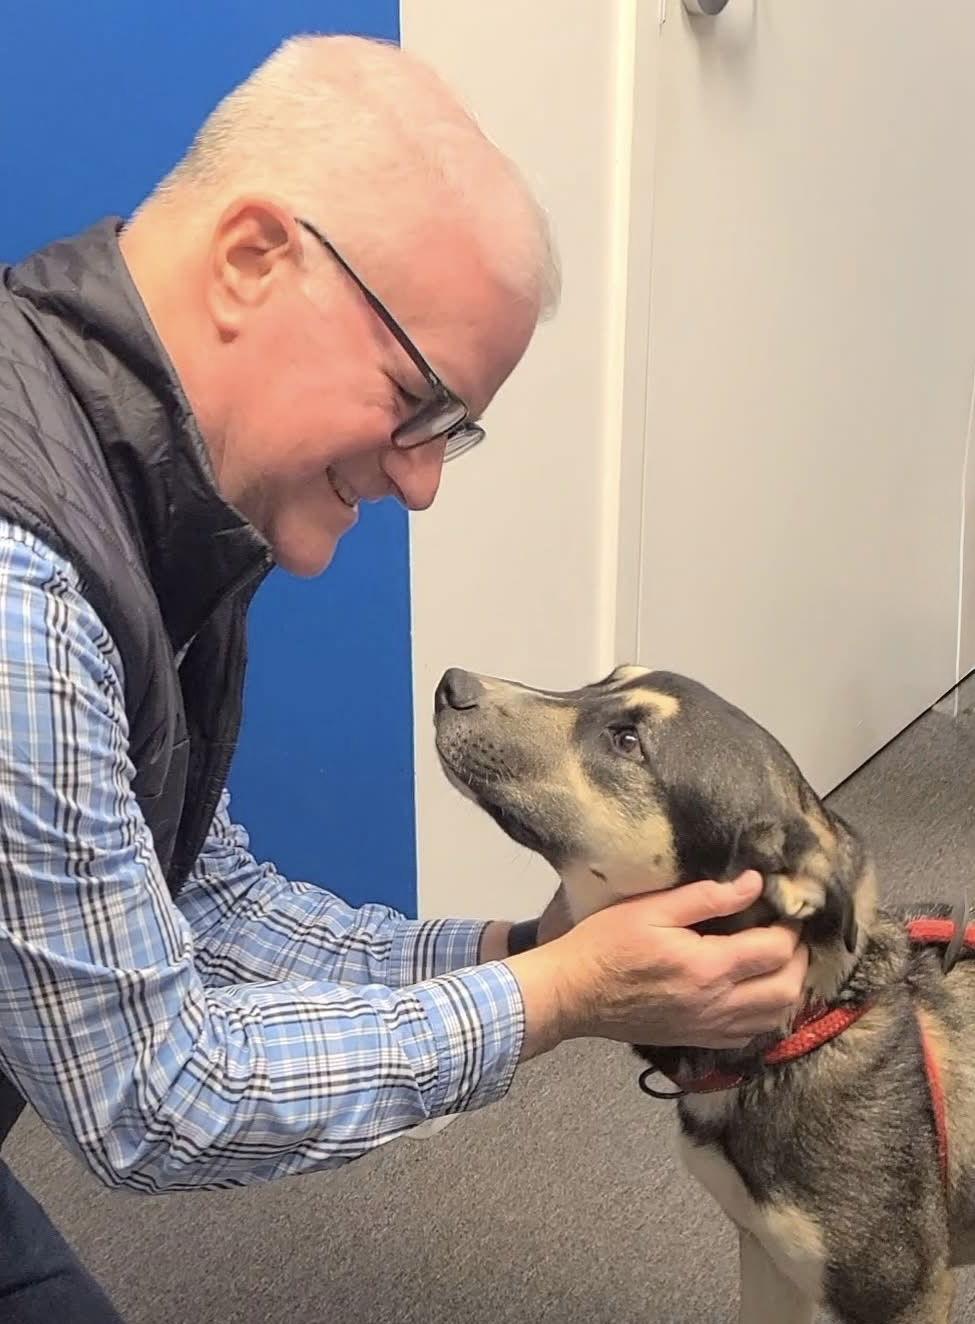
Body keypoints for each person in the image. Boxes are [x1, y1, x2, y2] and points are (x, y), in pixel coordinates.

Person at [0, 33, 806, 1322]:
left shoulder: (140, 496)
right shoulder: (24, 603)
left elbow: (210, 907)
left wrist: (526, 948)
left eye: (454, 432)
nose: (424, 483)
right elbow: (154, 1092)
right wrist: (560, 997)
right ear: (252, 260)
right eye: (415, 399)